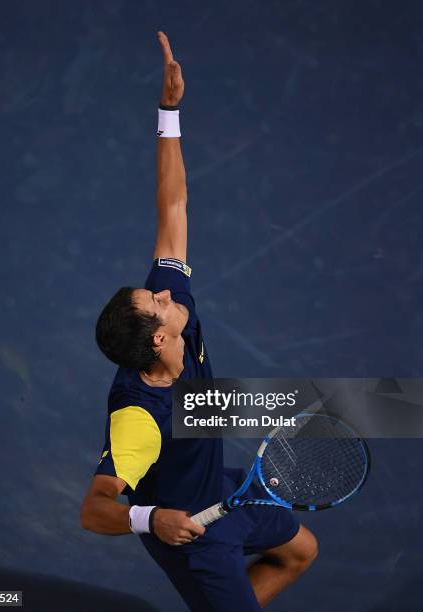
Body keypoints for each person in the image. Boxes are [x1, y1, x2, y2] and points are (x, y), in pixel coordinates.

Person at [80, 30, 318, 611]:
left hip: (225, 486)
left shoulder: (169, 316)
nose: (166, 293)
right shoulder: (137, 418)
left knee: (300, 551)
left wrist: (168, 112)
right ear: (161, 338)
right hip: (194, 534)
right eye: (158, 303)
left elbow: (173, 206)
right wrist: (151, 518)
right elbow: (94, 509)